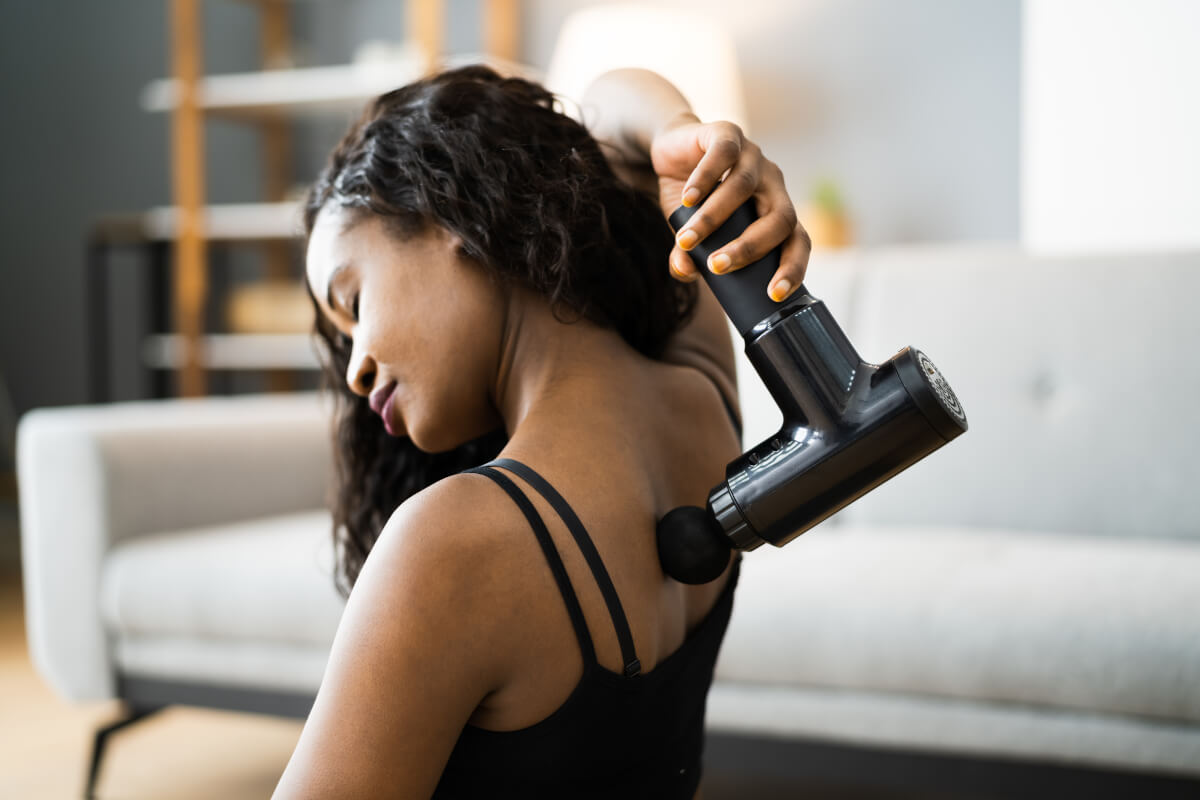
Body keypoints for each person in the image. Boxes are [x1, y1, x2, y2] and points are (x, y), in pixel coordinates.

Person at [272, 64, 810, 800]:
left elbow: (611, 127)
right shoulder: (705, 396)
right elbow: (620, 119)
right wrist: (679, 131)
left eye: (354, 301)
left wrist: (682, 146)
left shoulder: (450, 547)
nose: (356, 369)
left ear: (452, 216)